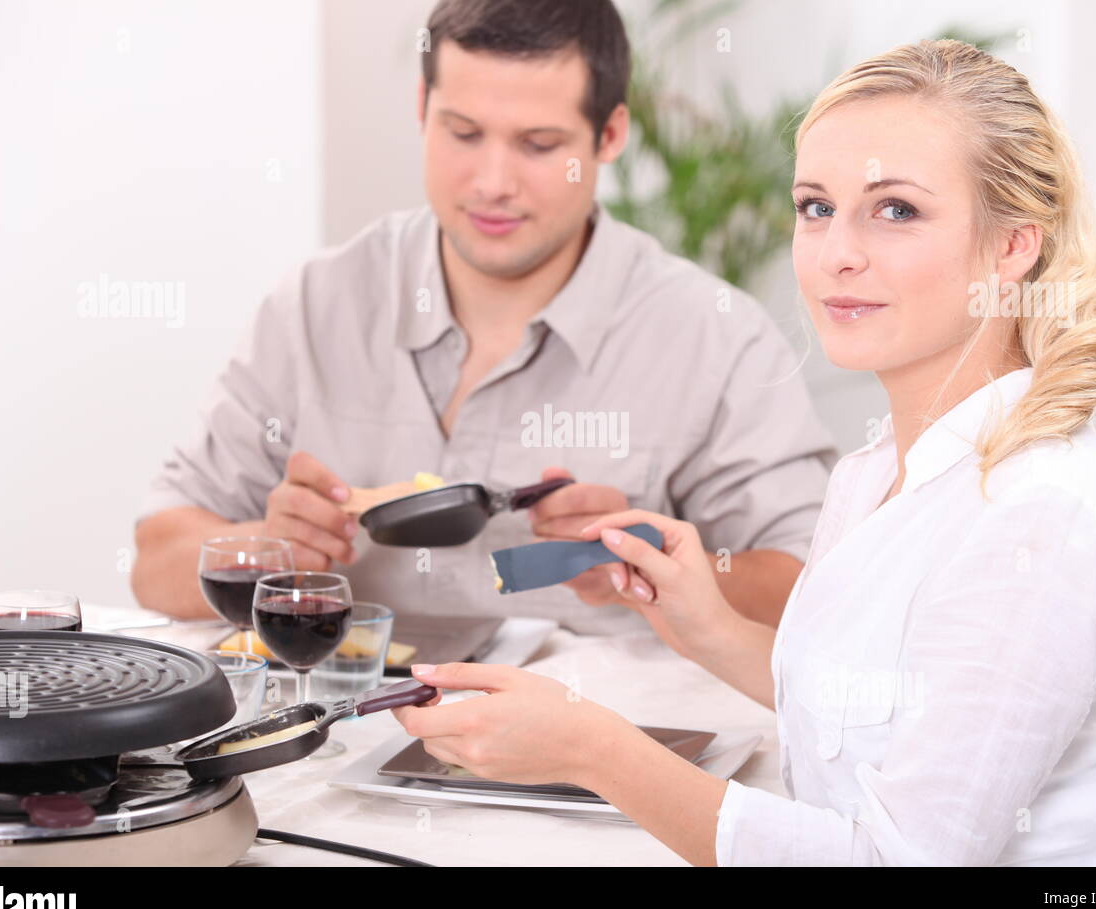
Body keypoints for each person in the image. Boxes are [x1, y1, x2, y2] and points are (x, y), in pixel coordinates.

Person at [393, 38, 1096, 866]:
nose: (837, 251)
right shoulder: (879, 473)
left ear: (1012, 247)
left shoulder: (1039, 518)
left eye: (897, 210)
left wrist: (591, 749)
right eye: (816, 206)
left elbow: (895, 860)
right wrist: (705, 628)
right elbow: (874, 729)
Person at [130, 0, 835, 635]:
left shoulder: (714, 336)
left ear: (610, 135)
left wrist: (649, 568)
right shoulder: (318, 304)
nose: (493, 183)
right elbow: (155, 562)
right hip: (344, 738)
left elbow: (818, 591)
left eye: (538, 145)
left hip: (604, 755)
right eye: (463, 132)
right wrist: (269, 543)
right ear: (421, 107)